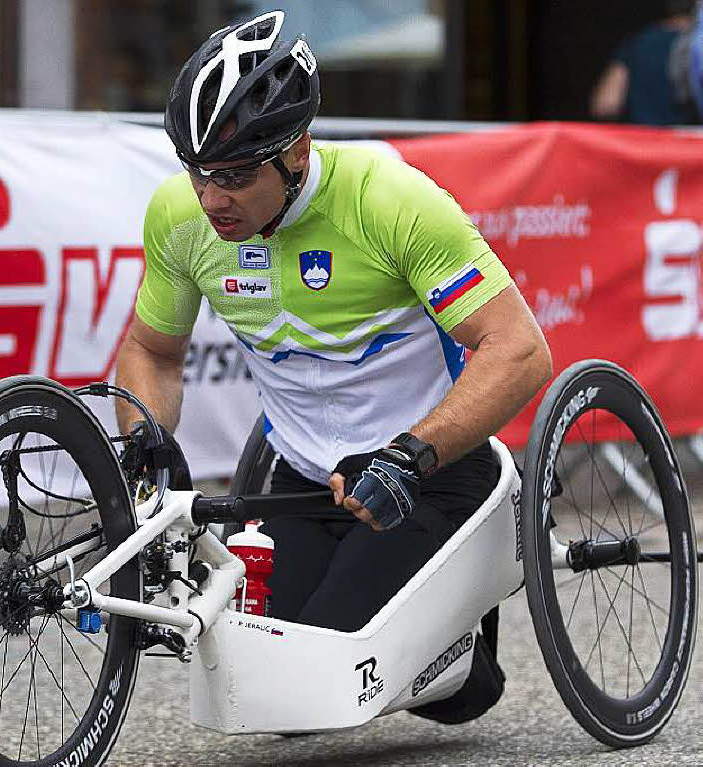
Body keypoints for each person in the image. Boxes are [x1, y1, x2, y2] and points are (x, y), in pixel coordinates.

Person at [114, 9, 552, 719]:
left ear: (297, 150)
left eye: (234, 174)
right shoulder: (181, 218)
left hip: (427, 471)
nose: (210, 197)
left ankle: (462, 623)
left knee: (359, 683)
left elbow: (520, 349)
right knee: (265, 687)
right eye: (196, 171)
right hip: (302, 480)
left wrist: (412, 456)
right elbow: (151, 352)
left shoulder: (388, 199)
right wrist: (146, 449)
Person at [591, 0, 697, 125]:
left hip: (641, 138)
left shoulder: (638, 42)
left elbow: (607, 104)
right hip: (688, 140)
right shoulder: (696, 45)